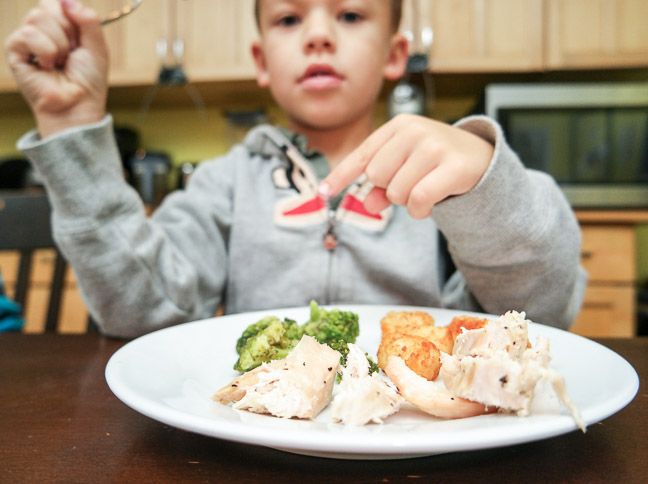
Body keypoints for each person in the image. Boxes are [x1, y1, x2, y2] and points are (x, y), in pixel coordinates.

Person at [4, 0, 587, 338]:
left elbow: (543, 313)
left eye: (351, 14)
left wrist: (486, 179)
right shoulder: (222, 181)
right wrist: (72, 124)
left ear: (394, 55)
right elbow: (142, 313)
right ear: (260, 60)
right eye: (287, 19)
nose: (317, 36)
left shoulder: (448, 180)